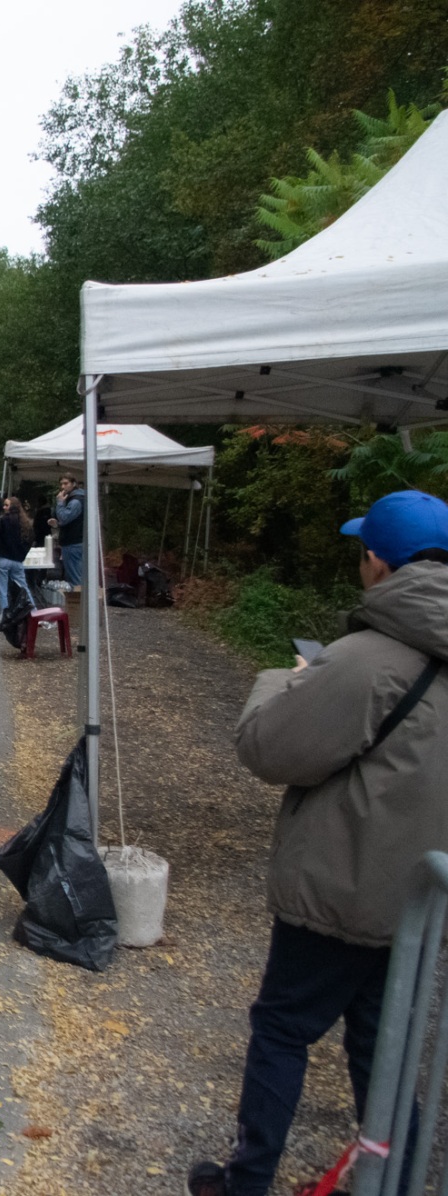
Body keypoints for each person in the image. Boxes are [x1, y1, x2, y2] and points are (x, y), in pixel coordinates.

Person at [187, 490, 448, 1196]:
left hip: (343, 886)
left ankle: (246, 1181)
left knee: (282, 1028)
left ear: (376, 562)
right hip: (422, 900)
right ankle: (400, 1176)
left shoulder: (367, 660)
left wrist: (285, 681)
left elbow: (270, 749)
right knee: (382, 1044)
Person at [0, 496, 32, 624]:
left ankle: (4, 617)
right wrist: (22, 555)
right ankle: (33, 613)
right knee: (24, 587)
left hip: (3, 559)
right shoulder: (25, 523)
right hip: (17, 561)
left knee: (1, 590)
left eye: (6, 505)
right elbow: (30, 540)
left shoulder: (2, 521)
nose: (4, 507)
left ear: (12, 507)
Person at [49, 473, 87, 588]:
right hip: (75, 540)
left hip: (73, 542)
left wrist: (60, 503)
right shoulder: (75, 498)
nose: (63, 487)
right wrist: (58, 524)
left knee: (75, 577)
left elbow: (64, 517)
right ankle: (78, 596)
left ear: (74, 484)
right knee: (76, 574)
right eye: (61, 484)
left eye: (66, 483)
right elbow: (71, 520)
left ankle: (78, 597)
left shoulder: (76, 501)